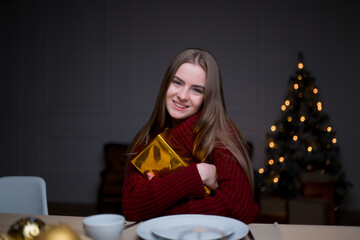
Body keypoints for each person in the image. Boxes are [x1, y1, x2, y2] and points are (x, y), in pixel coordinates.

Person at [121, 48, 259, 223]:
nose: (182, 96)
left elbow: (239, 209)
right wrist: (199, 173)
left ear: (207, 97)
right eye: (177, 83)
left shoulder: (221, 135)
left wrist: (159, 202)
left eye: (197, 90)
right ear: (166, 85)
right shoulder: (148, 138)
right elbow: (132, 208)